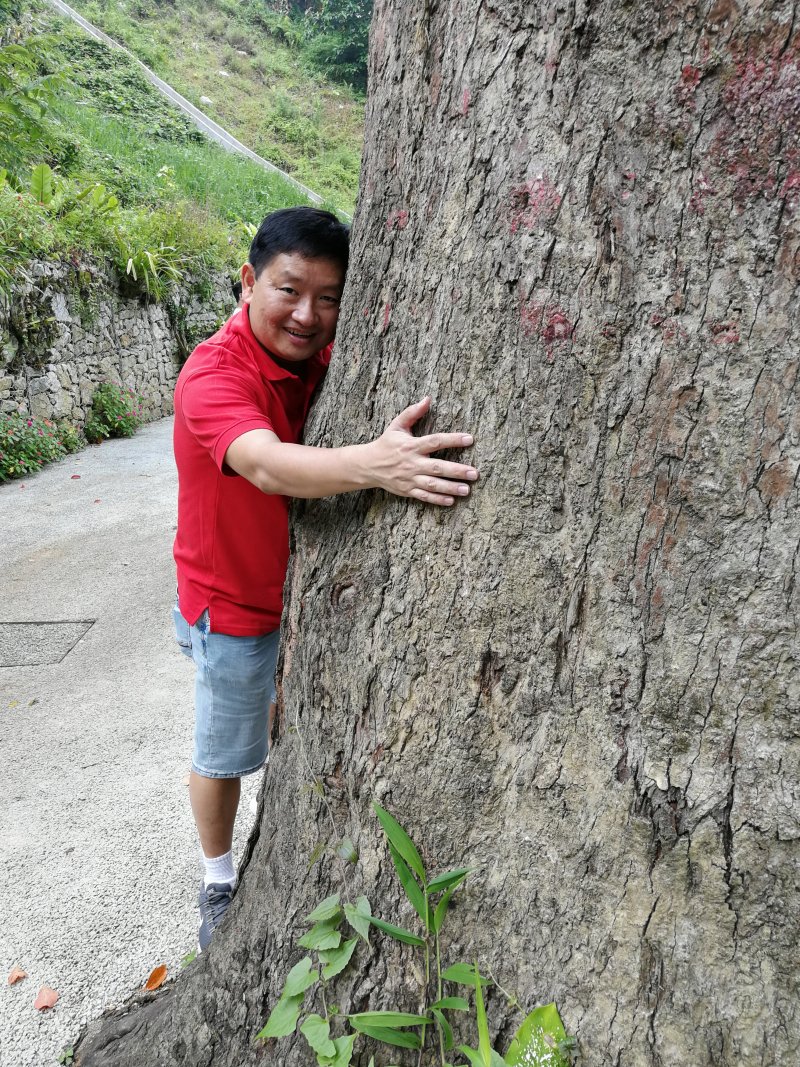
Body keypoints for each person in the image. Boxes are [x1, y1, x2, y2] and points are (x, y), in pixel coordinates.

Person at [172, 207, 478, 950]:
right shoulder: (213, 374)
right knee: (225, 750)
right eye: (288, 289)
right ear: (248, 282)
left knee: (285, 719)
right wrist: (377, 464)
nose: (307, 315)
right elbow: (267, 462)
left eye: (329, 297)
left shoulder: (324, 350)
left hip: (298, 596)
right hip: (233, 607)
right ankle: (216, 880)